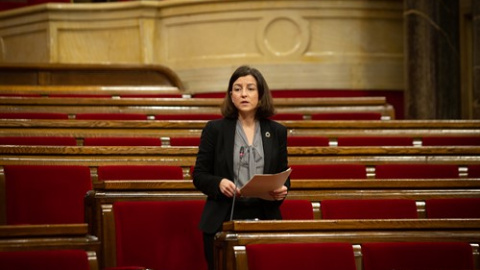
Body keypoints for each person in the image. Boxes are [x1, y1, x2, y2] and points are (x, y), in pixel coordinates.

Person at [193, 65, 290, 270]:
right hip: (223, 218)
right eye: (237, 89)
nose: (243, 94)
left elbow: (283, 175)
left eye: (250, 88)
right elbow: (199, 175)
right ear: (231, 95)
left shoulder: (277, 131)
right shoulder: (215, 130)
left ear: (261, 94)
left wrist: (282, 189)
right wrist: (219, 183)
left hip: (264, 217)